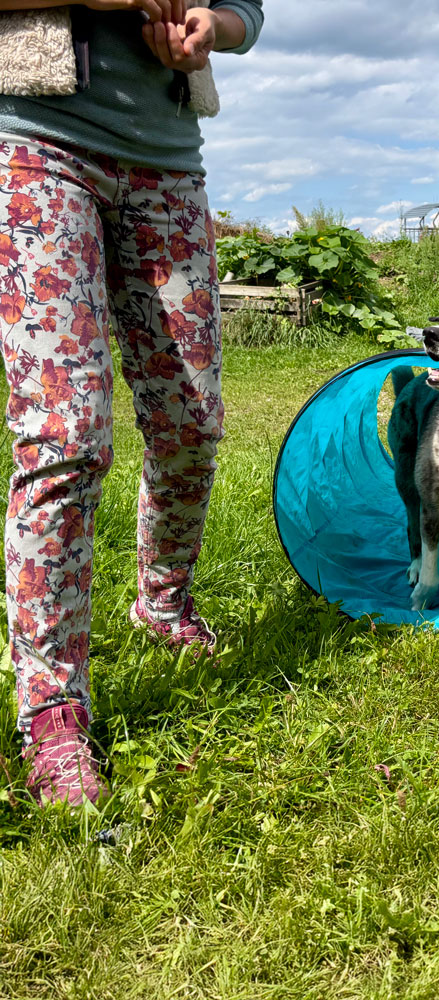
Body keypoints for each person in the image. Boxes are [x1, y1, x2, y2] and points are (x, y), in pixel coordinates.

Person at [0, 0, 264, 807]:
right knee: (67, 437)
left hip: (168, 162)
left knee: (192, 424)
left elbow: (248, 8)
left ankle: (164, 606)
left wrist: (213, 28)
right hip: (36, 143)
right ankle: (52, 711)